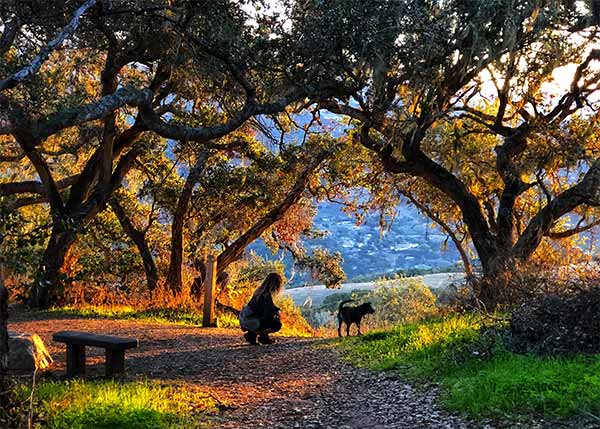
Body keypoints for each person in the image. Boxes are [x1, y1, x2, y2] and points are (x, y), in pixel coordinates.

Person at [239, 273, 283, 345]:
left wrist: (275, 310)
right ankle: (257, 335)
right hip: (251, 321)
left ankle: (253, 335)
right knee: (276, 324)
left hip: (245, 319)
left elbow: (262, 308)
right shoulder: (266, 296)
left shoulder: (259, 292)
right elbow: (267, 314)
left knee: (263, 317)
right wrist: (277, 314)